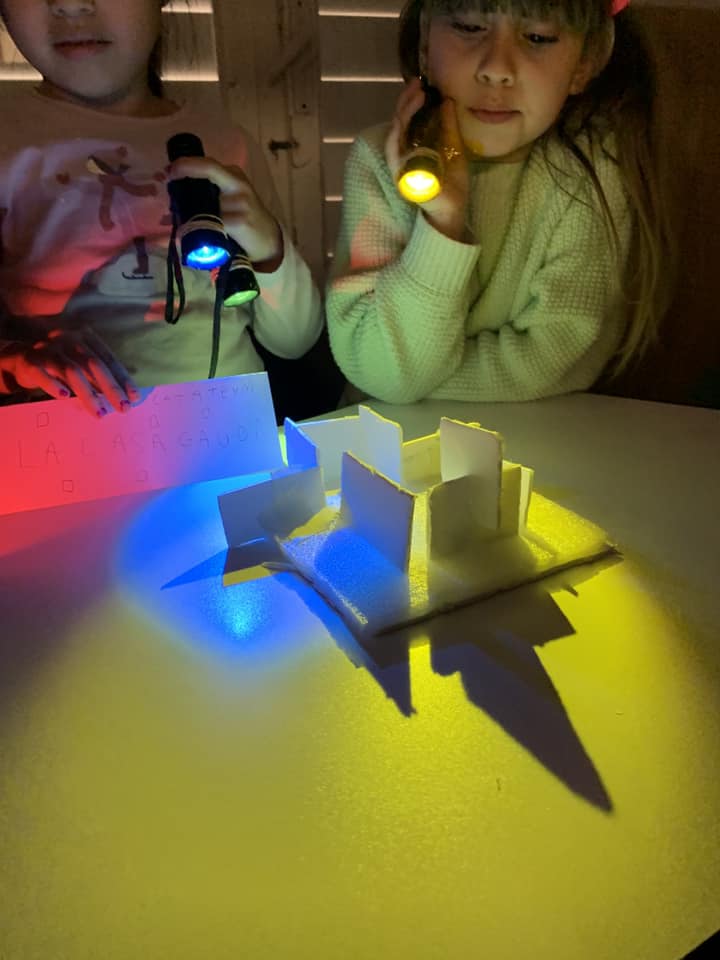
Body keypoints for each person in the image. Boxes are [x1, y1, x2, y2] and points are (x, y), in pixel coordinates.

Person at [326, 0, 670, 404]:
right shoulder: (379, 163)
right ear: (425, 46)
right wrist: (443, 221)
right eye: (469, 27)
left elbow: (556, 355)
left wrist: (412, 382)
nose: (497, 68)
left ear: (584, 63)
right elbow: (380, 369)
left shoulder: (591, 172)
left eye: (538, 37)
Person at [0, 0, 322, 417]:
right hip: (73, 442)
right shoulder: (10, 142)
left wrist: (270, 252)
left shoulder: (226, 144)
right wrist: (17, 362)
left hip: (232, 429)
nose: (71, 4)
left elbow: (294, 340)